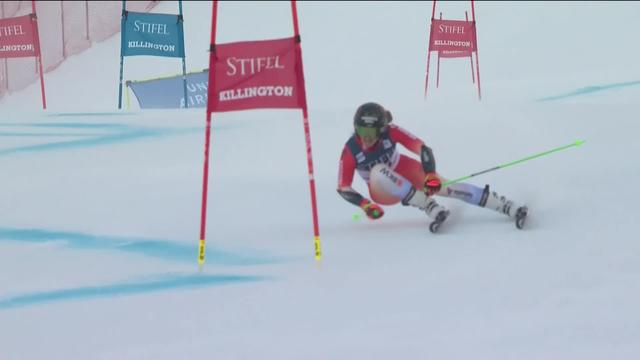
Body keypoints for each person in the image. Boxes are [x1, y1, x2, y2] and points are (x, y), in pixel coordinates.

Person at [337, 102, 528, 232]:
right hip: (382, 190)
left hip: (403, 169)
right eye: (361, 131)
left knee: (445, 187)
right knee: (378, 171)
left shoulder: (391, 131)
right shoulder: (350, 150)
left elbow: (422, 148)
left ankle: (505, 206)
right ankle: (428, 205)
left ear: (382, 129)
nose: (366, 138)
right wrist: (365, 205)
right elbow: (343, 187)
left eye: (371, 132)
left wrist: (430, 175)